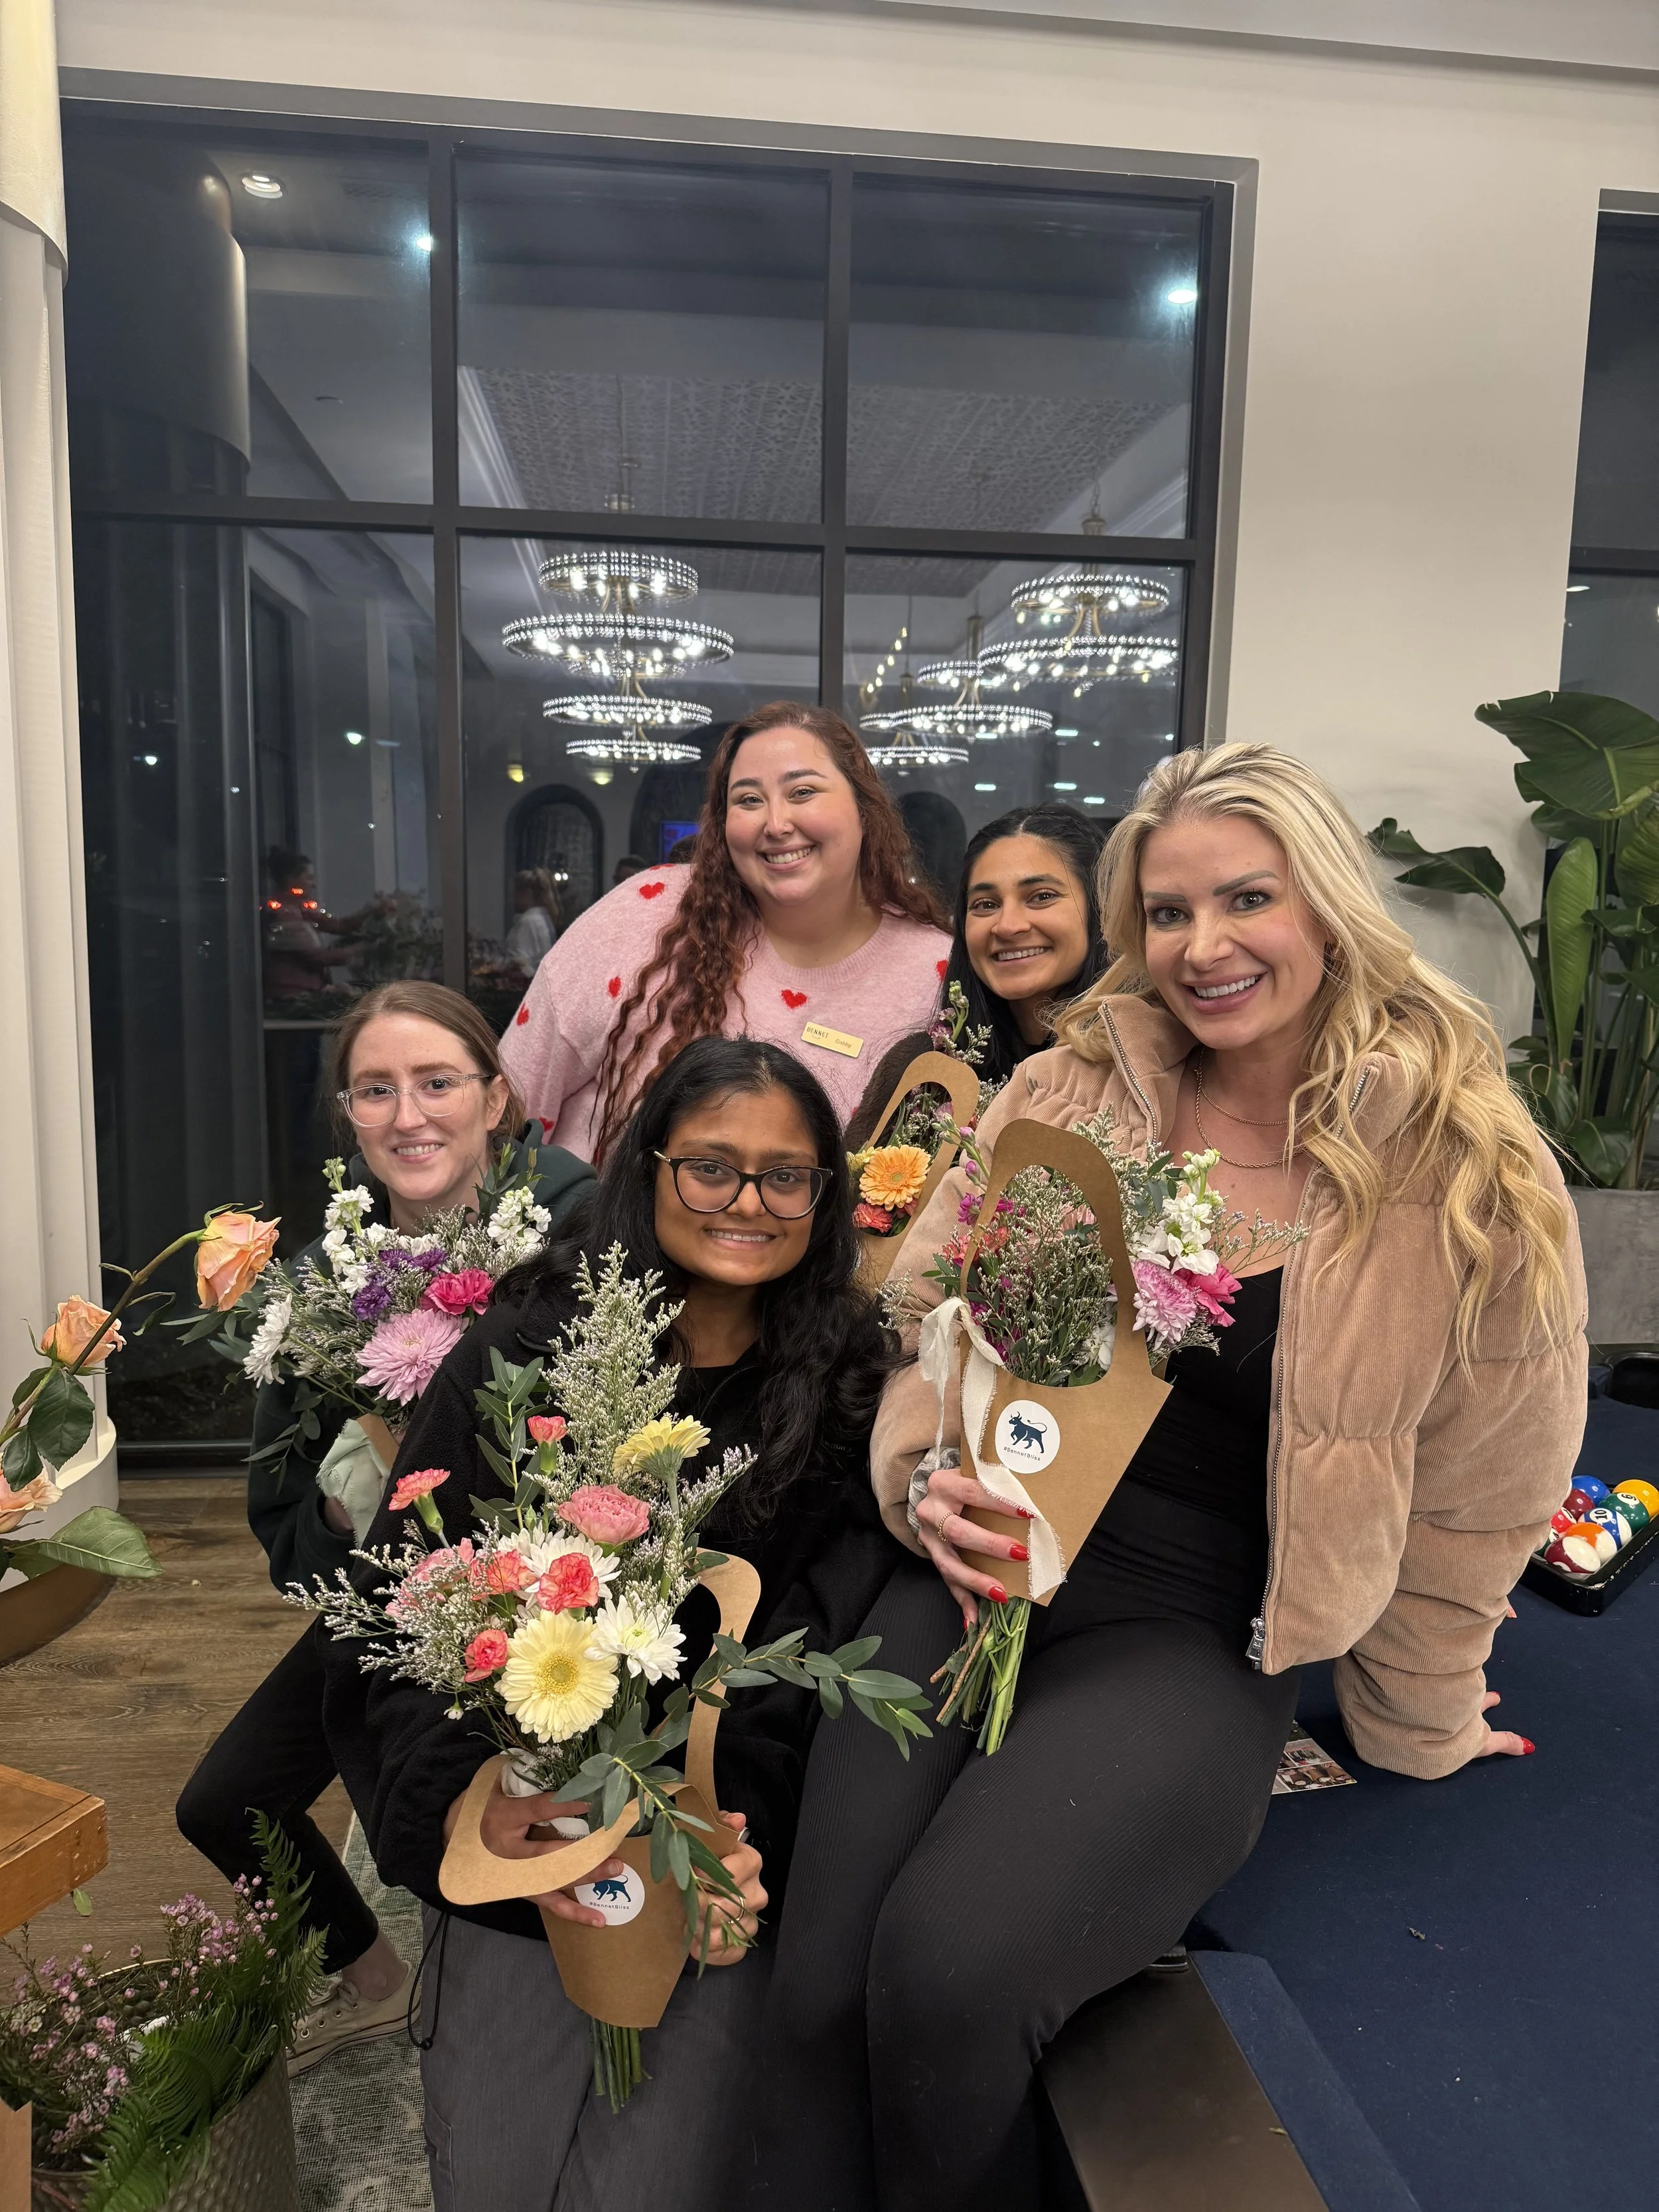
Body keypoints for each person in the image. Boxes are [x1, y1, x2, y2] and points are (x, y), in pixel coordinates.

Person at [749, 741, 1587, 2212]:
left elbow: (1486, 1478)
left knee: (944, 1977)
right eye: (1165, 911)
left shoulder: (1462, 1160)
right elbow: (922, 1315)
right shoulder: (1066, 1089)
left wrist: (1421, 1711)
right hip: (966, 1573)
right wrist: (923, 1471)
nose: (1202, 948)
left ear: (1322, 908)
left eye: (1244, 899)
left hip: (1190, 1626)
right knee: (816, 1988)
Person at [319, 1039, 901, 2212]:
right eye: (713, 1168)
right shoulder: (525, 1346)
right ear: (650, 1165)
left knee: (652, 2181)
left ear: (826, 1200)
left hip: (710, 1868)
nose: (749, 1202)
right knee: (492, 2173)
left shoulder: (848, 1383)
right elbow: (407, 1606)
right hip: (521, 1864)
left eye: (788, 1177)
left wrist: (727, 1839)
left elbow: (827, 1644)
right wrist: (483, 1815)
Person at [177, 982, 594, 2075]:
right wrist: (339, 1503)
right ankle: (379, 1982)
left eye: (437, 1081)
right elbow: (282, 1520)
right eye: (376, 1090)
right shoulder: (325, 1282)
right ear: (350, 1118)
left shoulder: (572, 1219)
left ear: (497, 1098)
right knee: (222, 1801)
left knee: (474, 1812)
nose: (409, 1114)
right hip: (390, 1598)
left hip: (565, 1607)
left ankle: (548, 2019)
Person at [501, 703, 951, 1160]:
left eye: (802, 792)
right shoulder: (647, 915)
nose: (776, 824)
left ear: (864, 807)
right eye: (749, 799)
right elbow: (509, 1101)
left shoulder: (936, 972)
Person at [844, 802, 1110, 1146]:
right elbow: (856, 1196)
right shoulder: (923, 1070)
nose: (1008, 926)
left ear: (1101, 909)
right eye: (986, 904)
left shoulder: (1140, 1068)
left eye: (1041, 897)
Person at [504, 867, 563, 978]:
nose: (513, 898)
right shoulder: (543, 918)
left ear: (527, 894)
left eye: (516, 893)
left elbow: (520, 964)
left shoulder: (529, 922)